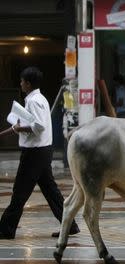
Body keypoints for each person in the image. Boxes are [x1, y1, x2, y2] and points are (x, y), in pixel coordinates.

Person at [0, 67, 79, 239]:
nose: (20, 84)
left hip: (34, 153)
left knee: (19, 191)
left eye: (22, 81)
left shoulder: (34, 101)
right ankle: (70, 225)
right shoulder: (39, 98)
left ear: (28, 83)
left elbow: (39, 126)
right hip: (42, 151)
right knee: (51, 191)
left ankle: (5, 229)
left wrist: (21, 127)